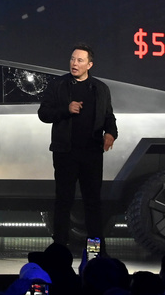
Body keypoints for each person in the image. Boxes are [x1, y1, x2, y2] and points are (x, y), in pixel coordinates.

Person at [37, 44, 118, 247]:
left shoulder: (100, 88)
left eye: (80, 60)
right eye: (72, 59)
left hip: (92, 153)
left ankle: (96, 250)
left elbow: (109, 116)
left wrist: (111, 133)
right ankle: (59, 248)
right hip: (65, 152)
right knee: (64, 200)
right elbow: (43, 113)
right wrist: (66, 109)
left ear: (89, 65)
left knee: (93, 202)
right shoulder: (58, 85)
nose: (74, 63)